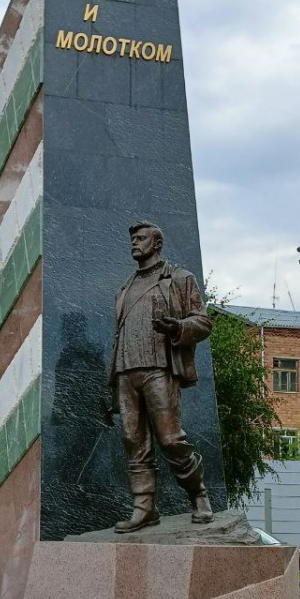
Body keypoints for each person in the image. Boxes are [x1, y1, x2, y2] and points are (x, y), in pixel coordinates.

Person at [107, 220, 215, 532]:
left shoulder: (179, 278)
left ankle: (199, 495)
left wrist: (179, 327)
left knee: (170, 439)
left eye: (141, 238)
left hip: (159, 368)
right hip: (126, 371)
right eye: (132, 239)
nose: (134, 243)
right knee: (133, 441)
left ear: (156, 244)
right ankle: (144, 508)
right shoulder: (125, 288)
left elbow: (203, 322)